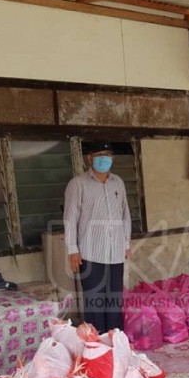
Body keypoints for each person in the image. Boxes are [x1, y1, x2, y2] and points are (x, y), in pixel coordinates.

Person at [64, 142, 131, 331]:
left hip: (115, 252)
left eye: (108, 154)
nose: (104, 158)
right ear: (90, 158)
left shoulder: (118, 182)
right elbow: (70, 218)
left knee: (114, 300)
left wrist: (126, 243)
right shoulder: (78, 184)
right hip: (91, 253)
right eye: (100, 154)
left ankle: (115, 338)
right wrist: (72, 249)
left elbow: (125, 214)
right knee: (94, 302)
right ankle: (97, 341)